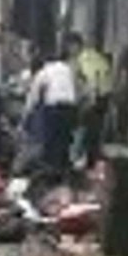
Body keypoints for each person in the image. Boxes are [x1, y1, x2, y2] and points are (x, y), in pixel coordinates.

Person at [24, 46, 78, 175]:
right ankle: (64, 168)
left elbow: (33, 95)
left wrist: (27, 113)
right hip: (71, 108)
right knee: (64, 139)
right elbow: (76, 87)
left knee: (51, 139)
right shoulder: (67, 69)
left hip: (54, 109)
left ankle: (52, 169)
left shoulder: (44, 72)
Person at [69, 33, 113, 169]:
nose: (70, 50)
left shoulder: (85, 58)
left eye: (70, 46)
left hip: (96, 98)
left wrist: (90, 100)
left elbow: (92, 79)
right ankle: (92, 162)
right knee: (95, 133)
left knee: (88, 132)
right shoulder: (95, 55)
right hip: (104, 96)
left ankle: (88, 163)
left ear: (76, 45)